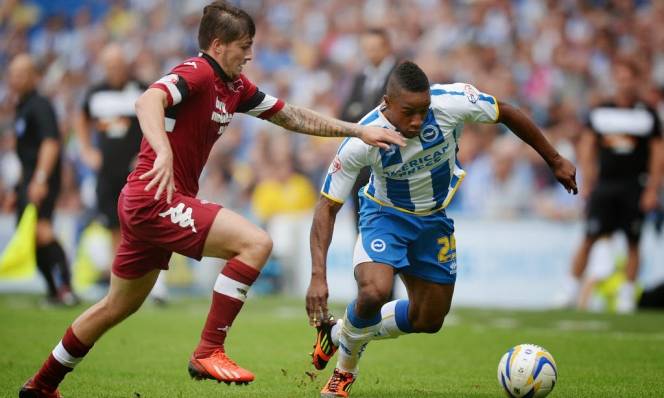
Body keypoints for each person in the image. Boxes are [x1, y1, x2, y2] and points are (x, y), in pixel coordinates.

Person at [19, 2, 405, 397]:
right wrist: (162, 150)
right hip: (155, 197)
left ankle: (42, 384)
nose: (250, 54)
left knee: (116, 306)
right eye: (245, 46)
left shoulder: (235, 87)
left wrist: (356, 131)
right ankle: (209, 350)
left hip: (151, 201)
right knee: (255, 243)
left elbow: (291, 116)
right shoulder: (198, 71)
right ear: (218, 46)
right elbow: (147, 101)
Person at [305, 61, 577, 397]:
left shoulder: (452, 102)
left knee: (428, 319)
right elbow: (327, 206)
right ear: (387, 103)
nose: (418, 120)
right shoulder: (362, 139)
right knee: (374, 291)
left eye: (423, 110)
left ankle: (336, 335)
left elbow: (506, 112)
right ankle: (344, 373)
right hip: (385, 216)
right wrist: (319, 275)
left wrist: (555, 159)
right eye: (409, 112)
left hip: (433, 219)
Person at [564, 59, 663, 313]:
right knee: (589, 237)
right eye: (619, 76)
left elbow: (657, 152)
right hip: (605, 185)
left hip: (634, 185)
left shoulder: (647, 114)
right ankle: (570, 290)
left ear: (636, 80)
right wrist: (587, 179)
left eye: (628, 76)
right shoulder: (601, 111)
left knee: (633, 241)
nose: (623, 81)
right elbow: (587, 146)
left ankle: (626, 295)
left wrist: (653, 188)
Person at [7, 54, 77, 307]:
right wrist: (18, 187)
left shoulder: (40, 105)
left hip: (42, 178)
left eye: (21, 74)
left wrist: (39, 178)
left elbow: (50, 142)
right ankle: (53, 290)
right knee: (30, 235)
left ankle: (66, 288)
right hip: (29, 178)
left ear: (34, 76)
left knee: (41, 230)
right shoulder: (22, 106)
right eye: (13, 74)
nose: (15, 79)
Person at [75, 43, 146, 282]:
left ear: (126, 65)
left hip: (138, 172)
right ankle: (121, 280)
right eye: (109, 66)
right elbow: (81, 119)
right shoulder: (95, 92)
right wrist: (86, 150)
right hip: (107, 172)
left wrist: (147, 154)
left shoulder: (143, 89)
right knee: (113, 226)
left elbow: (163, 122)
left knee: (143, 226)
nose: (114, 70)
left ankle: (150, 282)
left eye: (117, 65)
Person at [340, 28, 398, 225]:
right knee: (361, 221)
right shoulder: (361, 77)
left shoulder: (399, 75)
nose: (370, 53)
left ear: (387, 48)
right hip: (362, 161)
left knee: (389, 222)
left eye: (374, 48)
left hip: (391, 160)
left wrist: (359, 116)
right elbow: (345, 113)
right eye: (366, 48)